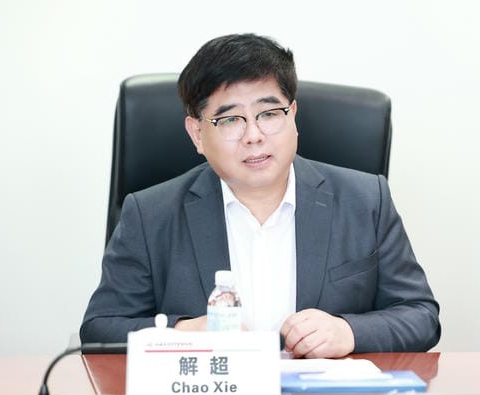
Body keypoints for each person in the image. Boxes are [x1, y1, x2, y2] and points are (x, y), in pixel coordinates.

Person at [80, 33, 440, 358]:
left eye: (269, 114)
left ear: (293, 115)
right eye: (230, 120)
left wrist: (349, 332)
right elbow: (100, 328)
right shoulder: (150, 214)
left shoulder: (365, 200)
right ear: (197, 134)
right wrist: (183, 332)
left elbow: (421, 316)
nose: (254, 135)